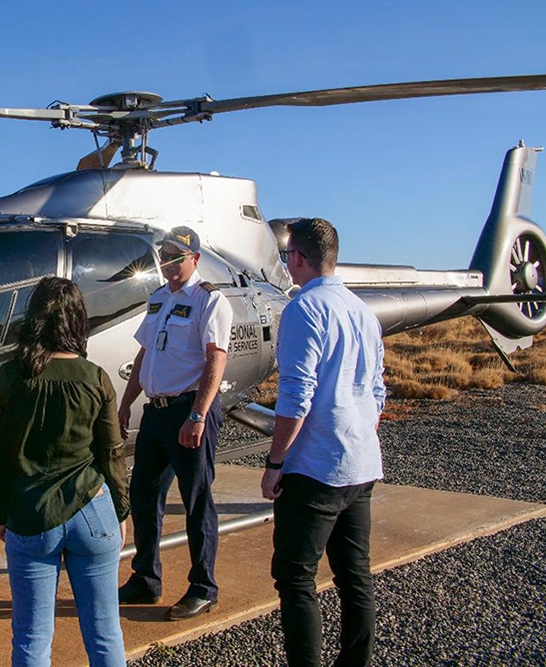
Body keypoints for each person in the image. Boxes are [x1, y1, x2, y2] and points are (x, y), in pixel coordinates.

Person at [0, 277, 130, 667]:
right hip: (93, 511)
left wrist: (1, 511)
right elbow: (112, 453)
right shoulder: (95, 377)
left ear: (34, 317)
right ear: (78, 319)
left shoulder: (9, 376)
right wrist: (121, 510)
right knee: (105, 634)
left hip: (30, 514)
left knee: (31, 639)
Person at [261, 218, 385, 667]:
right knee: (354, 574)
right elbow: (377, 389)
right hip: (361, 463)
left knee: (295, 578)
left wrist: (276, 462)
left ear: (298, 257)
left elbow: (296, 395)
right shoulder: (363, 311)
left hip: (315, 468)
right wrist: (358, 432)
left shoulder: (303, 309)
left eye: (286, 256)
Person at [117, 226, 233, 621]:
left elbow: (216, 359)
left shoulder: (209, 300)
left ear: (194, 259)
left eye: (175, 257)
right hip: (156, 411)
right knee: (144, 495)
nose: (167, 264)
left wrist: (198, 415)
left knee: (196, 500)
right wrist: (126, 403)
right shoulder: (159, 298)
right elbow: (145, 354)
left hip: (189, 410)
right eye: (163, 257)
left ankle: (203, 588)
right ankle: (146, 579)